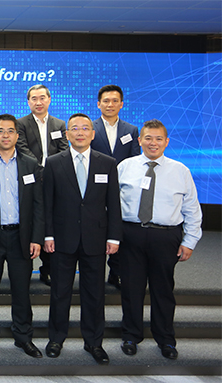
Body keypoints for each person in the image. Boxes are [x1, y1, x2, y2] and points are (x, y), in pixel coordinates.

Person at [117, 119, 202, 360]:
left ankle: (165, 339)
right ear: (139, 140)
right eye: (148, 138)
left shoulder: (180, 170)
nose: (153, 143)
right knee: (131, 289)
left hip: (166, 236)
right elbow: (111, 204)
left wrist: (190, 241)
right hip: (130, 233)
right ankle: (131, 335)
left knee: (162, 290)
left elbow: (192, 209)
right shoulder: (125, 166)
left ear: (166, 142)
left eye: (158, 139)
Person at [42, 113, 121, 365]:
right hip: (62, 239)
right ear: (67, 134)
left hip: (96, 239)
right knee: (60, 292)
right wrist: (48, 234)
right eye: (74, 128)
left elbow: (114, 205)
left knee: (95, 294)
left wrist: (114, 237)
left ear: (92, 133)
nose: (79, 132)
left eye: (85, 128)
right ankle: (56, 339)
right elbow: (47, 203)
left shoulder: (107, 163)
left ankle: (94, 342)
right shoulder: (53, 162)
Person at [0, 114, 43, 358]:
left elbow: (38, 205)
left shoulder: (30, 164)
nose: (5, 135)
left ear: (17, 135)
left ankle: (23, 336)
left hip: (21, 238)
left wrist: (36, 238)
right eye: (0, 131)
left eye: (10, 131)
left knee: (21, 290)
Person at [16, 84, 68, 287]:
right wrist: (41, 170)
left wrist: (52, 171)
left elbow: (64, 149)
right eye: (34, 99)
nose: (38, 102)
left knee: (51, 224)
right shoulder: (20, 124)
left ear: (49, 99)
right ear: (28, 102)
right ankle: (26, 267)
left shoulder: (59, 124)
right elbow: (22, 149)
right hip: (31, 179)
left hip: (55, 182)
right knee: (32, 220)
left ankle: (47, 268)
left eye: (42, 98)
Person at [90, 84, 141, 289]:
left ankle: (116, 271)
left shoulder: (131, 130)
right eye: (106, 101)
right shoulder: (89, 128)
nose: (110, 104)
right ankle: (94, 272)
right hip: (94, 188)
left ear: (121, 104)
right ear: (98, 104)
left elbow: (136, 160)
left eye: (114, 101)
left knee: (119, 229)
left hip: (123, 189)